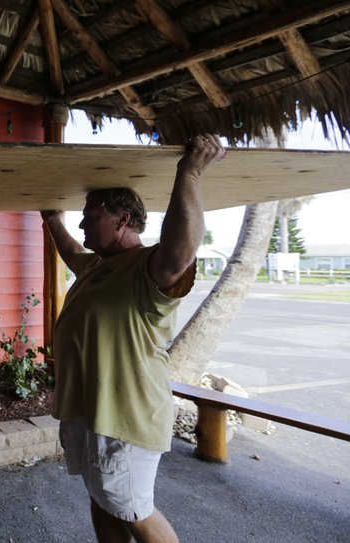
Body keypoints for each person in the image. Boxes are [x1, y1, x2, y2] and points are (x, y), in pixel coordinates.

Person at [40, 134, 226, 543]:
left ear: (122, 219)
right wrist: (52, 219)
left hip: (125, 415)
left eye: (90, 217)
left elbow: (180, 252)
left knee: (133, 507)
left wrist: (190, 173)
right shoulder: (100, 266)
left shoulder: (148, 269)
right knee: (103, 497)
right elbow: (73, 253)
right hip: (94, 410)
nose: (83, 225)